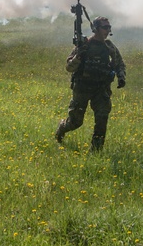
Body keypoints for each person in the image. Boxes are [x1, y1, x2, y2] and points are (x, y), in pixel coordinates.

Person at [54, 16, 127, 151]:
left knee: (102, 117)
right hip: (82, 87)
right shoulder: (85, 45)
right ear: (95, 29)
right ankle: (62, 128)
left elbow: (120, 63)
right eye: (105, 27)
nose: (107, 30)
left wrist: (121, 76)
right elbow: (69, 67)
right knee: (76, 122)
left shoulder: (109, 46)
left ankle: (96, 151)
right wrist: (78, 57)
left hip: (101, 88)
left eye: (109, 27)